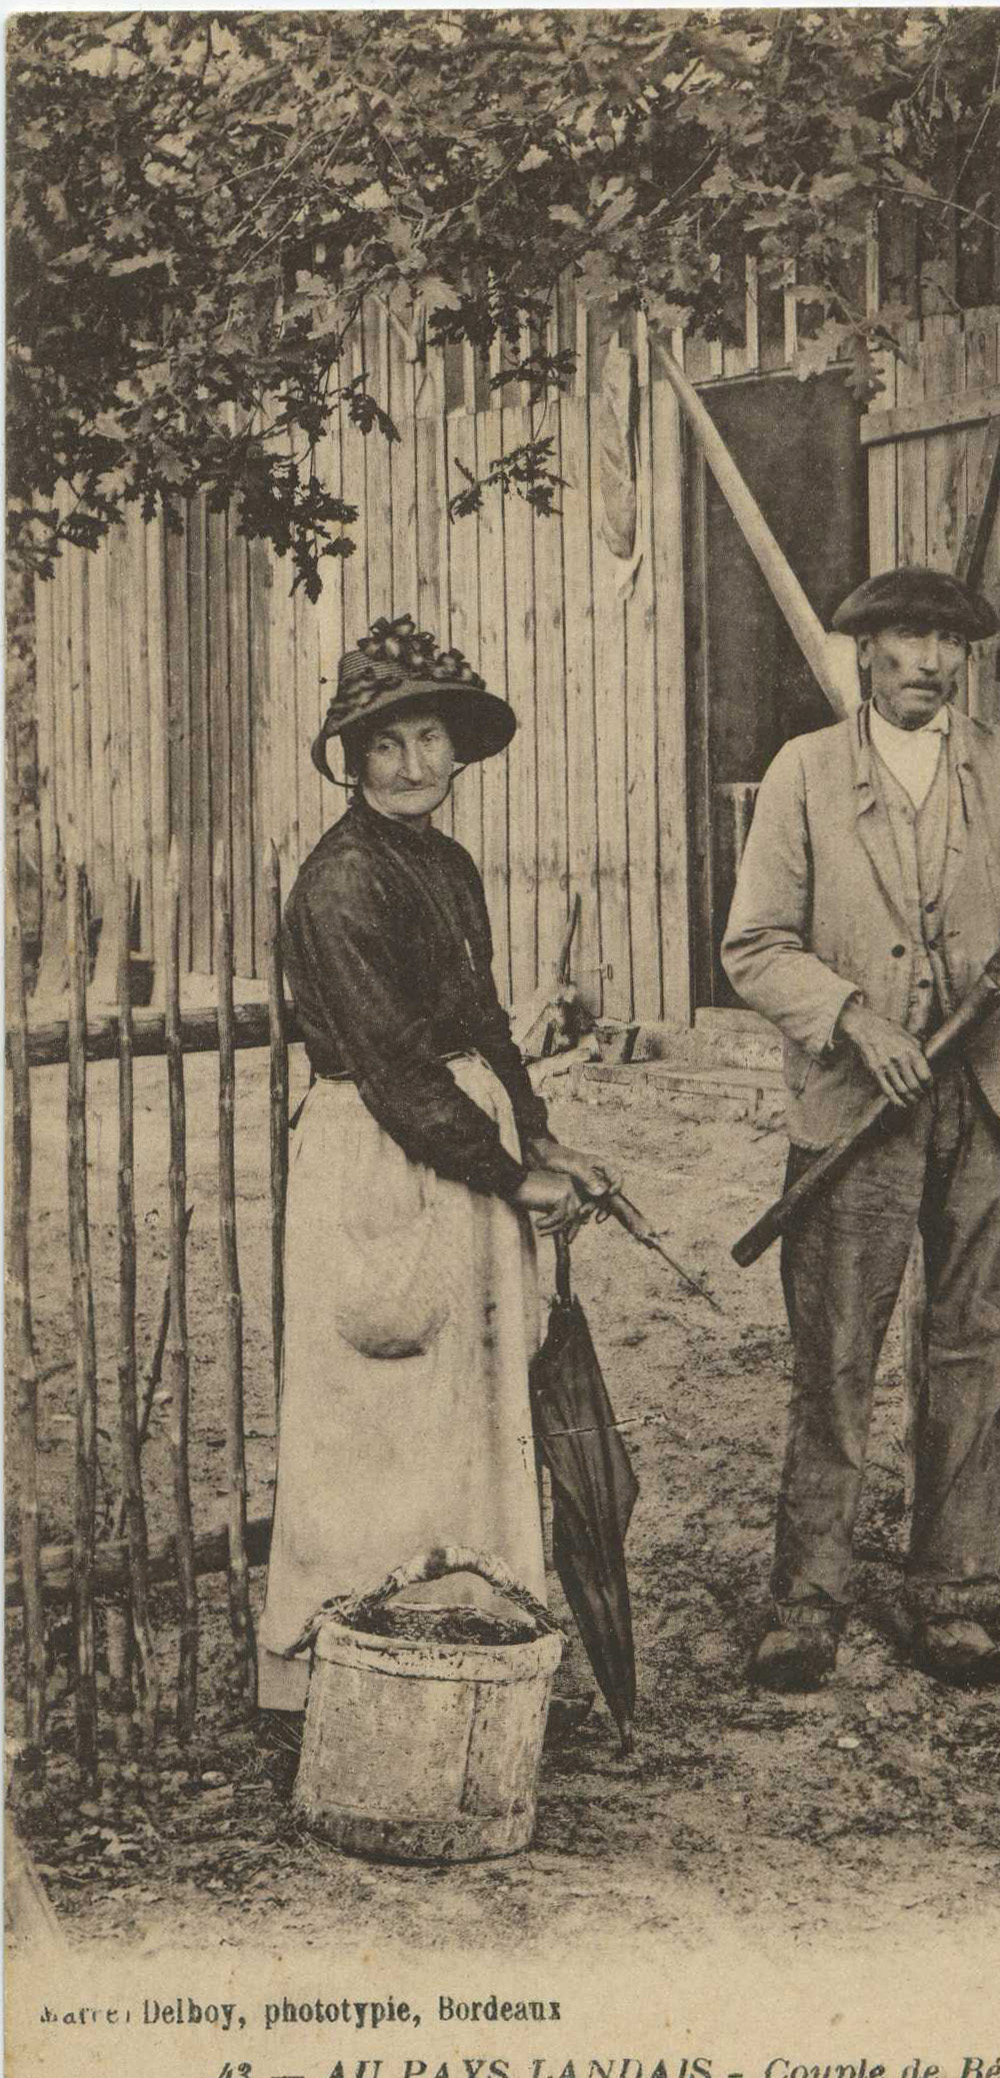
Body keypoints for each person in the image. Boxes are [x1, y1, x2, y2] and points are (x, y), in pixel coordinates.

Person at [721, 567, 1000, 1693]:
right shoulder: (806, 773)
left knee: (978, 1344)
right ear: (863, 653)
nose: (928, 658)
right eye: (906, 638)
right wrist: (851, 1016)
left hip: (989, 1097)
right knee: (833, 1354)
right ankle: (805, 1600)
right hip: (855, 1108)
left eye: (947, 641)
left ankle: (952, 1592)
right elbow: (753, 945)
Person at [256, 614, 617, 1726]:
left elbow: (482, 1027)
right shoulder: (340, 886)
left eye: (430, 740)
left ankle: (467, 1652)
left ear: (458, 748)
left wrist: (539, 1133)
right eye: (387, 745)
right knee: (375, 1406)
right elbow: (397, 1068)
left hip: (462, 1139)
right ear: (351, 762)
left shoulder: (447, 865)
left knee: (471, 1405)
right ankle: (327, 1679)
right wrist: (509, 1174)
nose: (415, 766)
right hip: (380, 1156)